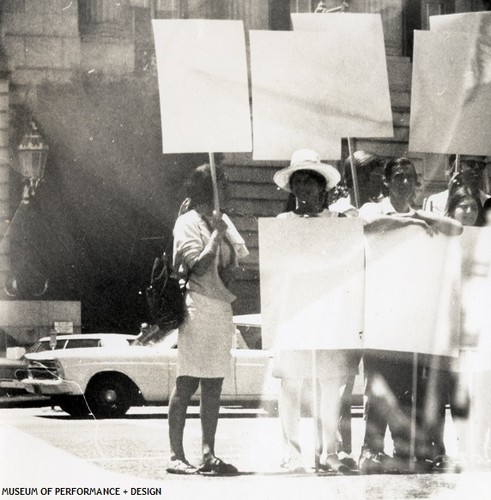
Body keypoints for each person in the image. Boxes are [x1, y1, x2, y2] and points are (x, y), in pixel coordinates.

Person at [357, 157, 462, 474]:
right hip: (381, 315)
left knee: (411, 387)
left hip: (413, 317)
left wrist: (419, 217)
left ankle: (414, 449)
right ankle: (371, 450)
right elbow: (368, 227)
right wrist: (411, 222)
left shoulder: (424, 214)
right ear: (386, 182)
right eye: (398, 176)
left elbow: (456, 228)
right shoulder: (372, 209)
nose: (404, 182)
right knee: (378, 387)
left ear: (417, 183)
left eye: (410, 178)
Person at [272, 148, 359, 474]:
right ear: (292, 187)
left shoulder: (338, 222)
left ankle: (329, 451)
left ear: (322, 187)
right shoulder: (282, 223)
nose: (305, 188)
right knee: (291, 385)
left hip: (328, 317)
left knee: (328, 385)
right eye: (300, 181)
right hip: (294, 315)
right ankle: (292, 451)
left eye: (312, 181)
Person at [166, 163, 249, 475]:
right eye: (222, 184)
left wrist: (222, 233)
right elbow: (197, 267)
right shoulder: (187, 223)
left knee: (214, 384)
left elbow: (236, 264)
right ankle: (176, 455)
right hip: (197, 307)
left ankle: (208, 453)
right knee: (187, 382)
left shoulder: (223, 220)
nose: (227, 190)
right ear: (209, 188)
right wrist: (215, 236)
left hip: (220, 309)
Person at [423, 155, 489, 216]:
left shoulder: (487, 201)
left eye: (481, 165)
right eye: (471, 164)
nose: (477, 168)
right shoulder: (435, 201)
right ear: (457, 166)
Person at [330, 150, 386, 215]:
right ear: (360, 179)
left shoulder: (383, 211)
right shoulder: (334, 212)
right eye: (378, 177)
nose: (383, 182)